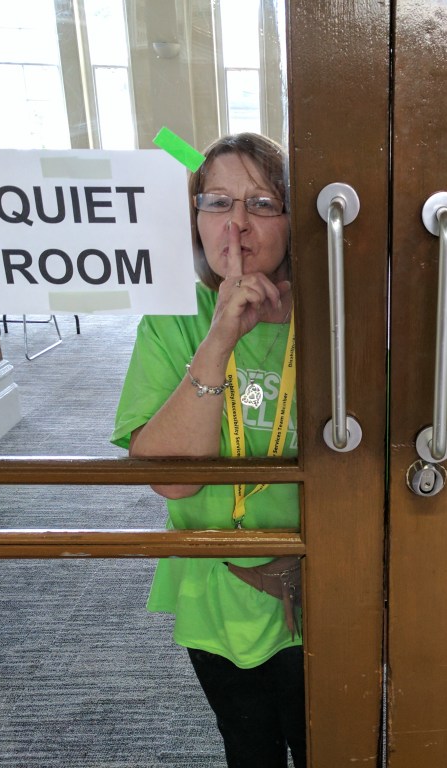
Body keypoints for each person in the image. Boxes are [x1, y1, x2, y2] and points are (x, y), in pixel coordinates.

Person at [111, 133, 304, 767]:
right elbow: (171, 482)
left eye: (262, 203)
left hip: (323, 582)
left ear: (295, 219)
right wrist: (219, 339)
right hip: (217, 586)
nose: (238, 224)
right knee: (249, 750)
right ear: (195, 218)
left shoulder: (337, 320)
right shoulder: (173, 319)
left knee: (331, 744)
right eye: (218, 202)